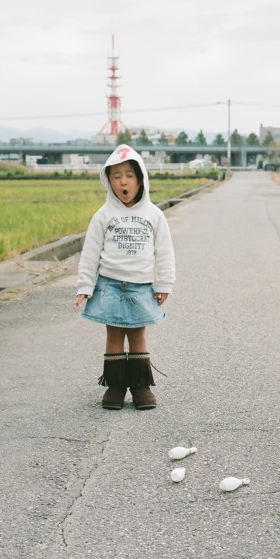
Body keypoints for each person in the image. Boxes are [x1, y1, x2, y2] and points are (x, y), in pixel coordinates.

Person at [74, 144, 175, 410]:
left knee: (138, 334)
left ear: (141, 179)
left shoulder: (154, 215)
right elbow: (90, 253)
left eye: (129, 175)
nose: (123, 182)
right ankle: (116, 385)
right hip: (108, 286)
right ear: (108, 181)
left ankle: (141, 385)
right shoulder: (103, 215)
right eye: (116, 176)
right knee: (115, 334)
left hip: (141, 286)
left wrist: (164, 284)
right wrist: (85, 285)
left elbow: (164, 252)